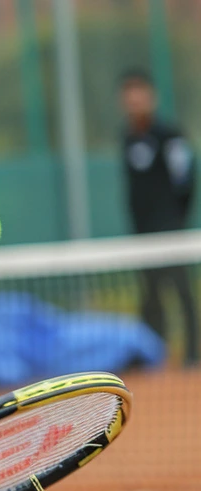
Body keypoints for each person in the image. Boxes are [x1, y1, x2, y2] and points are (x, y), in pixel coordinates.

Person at [120, 68, 198, 367]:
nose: (134, 100)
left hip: (170, 229)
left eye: (139, 93)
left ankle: (192, 355)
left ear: (152, 97)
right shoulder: (126, 138)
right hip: (142, 232)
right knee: (150, 297)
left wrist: (175, 220)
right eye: (129, 94)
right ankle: (152, 355)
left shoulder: (170, 135)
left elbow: (185, 180)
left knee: (182, 292)